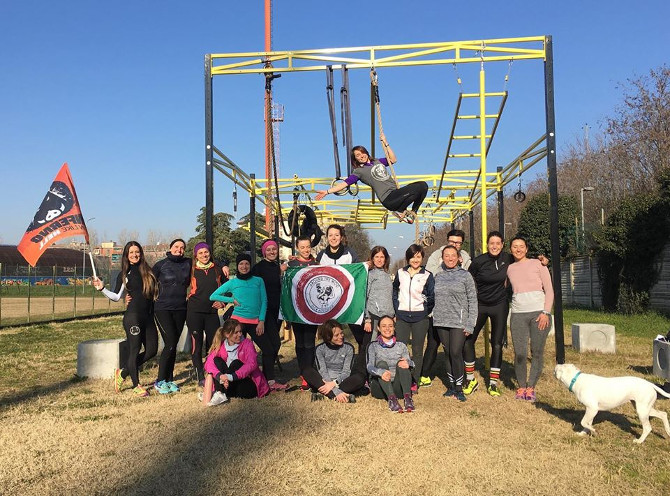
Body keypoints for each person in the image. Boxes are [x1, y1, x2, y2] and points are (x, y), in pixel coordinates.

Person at [93, 241, 158, 397]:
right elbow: (116, 296)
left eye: (137, 252)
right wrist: (102, 288)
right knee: (134, 351)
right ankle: (136, 385)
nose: (135, 255)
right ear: (126, 256)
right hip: (133, 317)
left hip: (148, 317)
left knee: (151, 350)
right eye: (131, 253)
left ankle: (122, 373)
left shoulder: (149, 271)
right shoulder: (124, 274)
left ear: (141, 253)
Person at [315, 139, 429, 223]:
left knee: (423, 186)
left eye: (362, 153)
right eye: (357, 155)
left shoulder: (377, 161)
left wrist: (386, 143)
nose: (361, 156)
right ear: (355, 159)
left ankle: (411, 213)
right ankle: (400, 210)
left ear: (366, 152)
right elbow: (345, 184)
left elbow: (393, 159)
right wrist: (327, 191)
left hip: (397, 194)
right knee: (419, 188)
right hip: (388, 198)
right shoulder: (359, 171)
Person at [464, 231, 513, 397]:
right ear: (487, 244)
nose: (495, 246)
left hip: (499, 305)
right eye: (492, 243)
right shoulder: (479, 261)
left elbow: (525, 261)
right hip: (480, 305)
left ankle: (493, 383)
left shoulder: (508, 258)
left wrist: (543, 261)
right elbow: (468, 280)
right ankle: (470, 379)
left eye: (498, 243)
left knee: (497, 343)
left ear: (503, 245)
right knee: (468, 339)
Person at [210, 254, 273, 381]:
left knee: (268, 350)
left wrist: (261, 321)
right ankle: (235, 376)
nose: (244, 266)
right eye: (241, 264)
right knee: (235, 351)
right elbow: (213, 296)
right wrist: (231, 300)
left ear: (250, 265)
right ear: (237, 266)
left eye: (247, 264)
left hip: (255, 321)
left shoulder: (258, 281)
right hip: (237, 322)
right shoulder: (233, 282)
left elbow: (264, 301)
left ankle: (268, 380)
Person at [506, 235, 554, 402]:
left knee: (537, 352)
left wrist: (546, 312)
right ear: (510, 249)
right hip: (518, 314)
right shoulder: (509, 268)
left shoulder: (538, 264)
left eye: (521, 246)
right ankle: (521, 387)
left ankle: (531, 387)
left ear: (526, 249)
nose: (518, 249)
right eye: (514, 246)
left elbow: (549, 290)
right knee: (519, 353)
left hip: (539, 314)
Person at [421, 229, 471, 387]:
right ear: (447, 241)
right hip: (438, 308)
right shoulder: (436, 255)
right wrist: (447, 265)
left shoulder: (465, 257)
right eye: (452, 242)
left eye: (458, 243)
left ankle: (462, 379)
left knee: (458, 347)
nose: (455, 245)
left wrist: (459, 265)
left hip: (457, 310)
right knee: (433, 343)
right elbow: (429, 274)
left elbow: (466, 277)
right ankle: (425, 374)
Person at [432, 245, 478, 402]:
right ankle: (451, 386)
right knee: (447, 353)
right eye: (447, 255)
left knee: (456, 352)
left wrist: (470, 323)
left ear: (459, 258)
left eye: (453, 255)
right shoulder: (437, 275)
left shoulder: (465, 276)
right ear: (442, 258)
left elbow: (473, 300)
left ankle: (459, 388)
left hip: (459, 322)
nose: (450, 258)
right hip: (441, 321)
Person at [316, 224, 368, 354]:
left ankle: (361, 363)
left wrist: (366, 267)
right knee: (329, 334)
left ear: (341, 237)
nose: (333, 238)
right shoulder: (321, 255)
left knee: (359, 335)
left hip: (348, 301)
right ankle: (330, 361)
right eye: (330, 235)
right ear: (327, 237)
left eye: (336, 235)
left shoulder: (350, 253)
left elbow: (358, 274)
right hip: (329, 303)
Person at [151, 238, 191, 394]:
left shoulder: (188, 263)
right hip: (162, 309)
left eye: (182, 248)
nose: (179, 250)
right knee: (170, 342)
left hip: (181, 308)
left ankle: (169, 379)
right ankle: (160, 380)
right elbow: (147, 281)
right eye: (176, 247)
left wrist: (224, 266)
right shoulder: (161, 265)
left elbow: (206, 259)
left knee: (173, 344)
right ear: (170, 248)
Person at [392, 243, 435, 390]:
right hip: (402, 317)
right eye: (412, 257)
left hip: (420, 318)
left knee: (417, 350)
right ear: (408, 258)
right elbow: (394, 291)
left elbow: (431, 296)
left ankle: (414, 380)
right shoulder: (400, 273)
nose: (415, 260)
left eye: (418, 257)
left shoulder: (427, 275)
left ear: (422, 258)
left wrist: (424, 310)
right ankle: (401, 378)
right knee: (400, 349)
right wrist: (397, 309)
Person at [203, 318, 270, 406]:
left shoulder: (247, 344)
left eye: (240, 331)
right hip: (229, 384)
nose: (240, 334)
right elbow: (208, 363)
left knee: (236, 363)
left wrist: (231, 376)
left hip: (246, 385)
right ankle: (220, 393)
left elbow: (252, 364)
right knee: (216, 360)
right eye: (236, 332)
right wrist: (220, 376)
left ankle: (220, 392)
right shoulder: (221, 345)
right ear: (227, 334)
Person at [186, 242, 226, 386]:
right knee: (196, 346)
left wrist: (223, 303)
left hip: (212, 313)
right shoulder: (190, 269)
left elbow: (228, 288)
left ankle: (212, 373)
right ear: (196, 255)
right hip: (194, 312)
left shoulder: (218, 269)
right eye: (201, 253)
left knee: (213, 345)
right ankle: (199, 376)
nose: (204, 255)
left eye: (206, 252)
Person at [251, 239, 288, 390]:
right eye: (269, 249)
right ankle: (269, 379)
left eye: (274, 249)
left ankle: (267, 377)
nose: (272, 252)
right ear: (263, 252)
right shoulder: (258, 268)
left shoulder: (277, 266)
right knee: (274, 344)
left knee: (273, 344)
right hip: (264, 311)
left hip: (277, 310)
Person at [301, 319, 364, 403]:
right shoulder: (320, 349)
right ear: (328, 337)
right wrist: (335, 389)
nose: (341, 336)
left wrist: (334, 383)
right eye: (336, 335)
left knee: (360, 378)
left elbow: (346, 372)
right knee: (307, 371)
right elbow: (322, 371)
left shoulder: (349, 348)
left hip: (342, 381)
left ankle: (325, 393)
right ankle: (338, 395)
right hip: (324, 380)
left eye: (341, 333)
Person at [366, 316, 415, 413]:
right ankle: (392, 400)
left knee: (402, 362)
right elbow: (369, 366)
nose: (387, 329)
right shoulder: (373, 346)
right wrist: (380, 372)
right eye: (384, 326)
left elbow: (412, 363)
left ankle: (408, 399)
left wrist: (408, 363)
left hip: (399, 386)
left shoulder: (401, 346)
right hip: (380, 387)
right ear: (378, 328)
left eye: (390, 326)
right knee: (381, 364)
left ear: (394, 328)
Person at [364, 246, 394, 340]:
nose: (379, 260)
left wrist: (393, 314)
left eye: (382, 257)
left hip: (388, 317)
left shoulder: (387, 275)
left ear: (385, 259)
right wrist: (367, 319)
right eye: (377, 257)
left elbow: (390, 296)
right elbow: (365, 297)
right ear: (372, 258)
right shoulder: (370, 275)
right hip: (374, 316)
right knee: (373, 345)